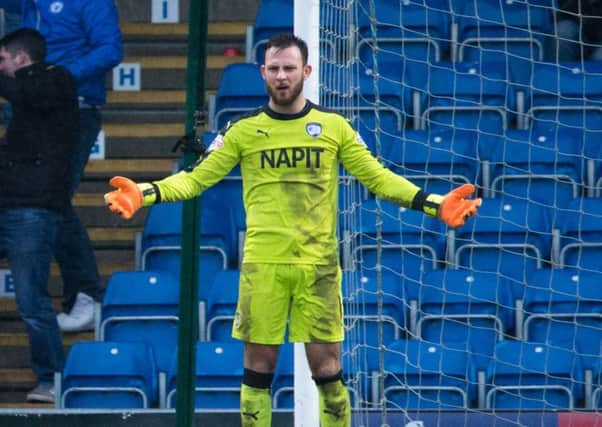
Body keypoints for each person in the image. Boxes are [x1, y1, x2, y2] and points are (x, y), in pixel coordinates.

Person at [104, 34, 482, 426]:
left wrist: (435, 204)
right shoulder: (242, 130)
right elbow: (195, 180)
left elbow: (378, 179)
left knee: (329, 371)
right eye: (274, 69)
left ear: (306, 71)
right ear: (262, 73)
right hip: (263, 266)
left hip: (318, 267)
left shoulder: (334, 127)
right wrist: (144, 193)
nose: (281, 76)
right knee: (258, 371)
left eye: (288, 68)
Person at [16, 0, 124, 332]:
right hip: (32, 107)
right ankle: (83, 293)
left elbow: (110, 48)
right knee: (42, 200)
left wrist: (61, 77)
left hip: (73, 108)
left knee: (54, 199)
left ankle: (86, 294)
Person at [0, 28, 79, 403]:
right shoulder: (27, 102)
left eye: (2, 61)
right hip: (10, 203)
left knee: (32, 301)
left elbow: (29, 93)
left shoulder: (55, 81)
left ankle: (53, 378)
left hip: (33, 209)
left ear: (20, 58)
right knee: (31, 299)